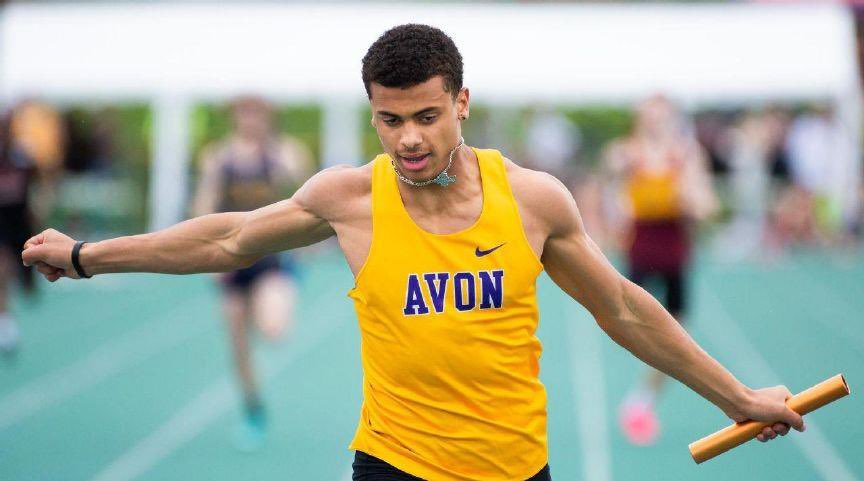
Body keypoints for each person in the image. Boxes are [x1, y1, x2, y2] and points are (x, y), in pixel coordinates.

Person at [22, 24, 804, 481]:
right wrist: (89, 254)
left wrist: (735, 395)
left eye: (427, 115)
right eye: (389, 120)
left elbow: (623, 307)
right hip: (395, 467)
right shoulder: (349, 198)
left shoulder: (532, 200)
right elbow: (227, 236)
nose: (410, 138)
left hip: (513, 469)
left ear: (461, 102)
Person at [191, 96, 314, 450]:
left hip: (271, 258)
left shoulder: (287, 153)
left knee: (274, 331)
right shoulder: (219, 157)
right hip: (231, 259)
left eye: (257, 113)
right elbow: (204, 203)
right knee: (239, 347)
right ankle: (253, 409)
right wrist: (205, 252)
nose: (250, 120)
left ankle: (274, 305)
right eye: (244, 113)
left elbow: (307, 198)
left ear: (269, 116)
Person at [603, 95, 718, 445]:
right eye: (649, 116)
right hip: (641, 245)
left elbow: (707, 204)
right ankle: (638, 399)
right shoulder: (625, 152)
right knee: (629, 321)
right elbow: (605, 187)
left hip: (674, 248)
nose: (655, 123)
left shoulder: (686, 154)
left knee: (676, 335)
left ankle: (641, 401)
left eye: (662, 117)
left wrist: (690, 201)